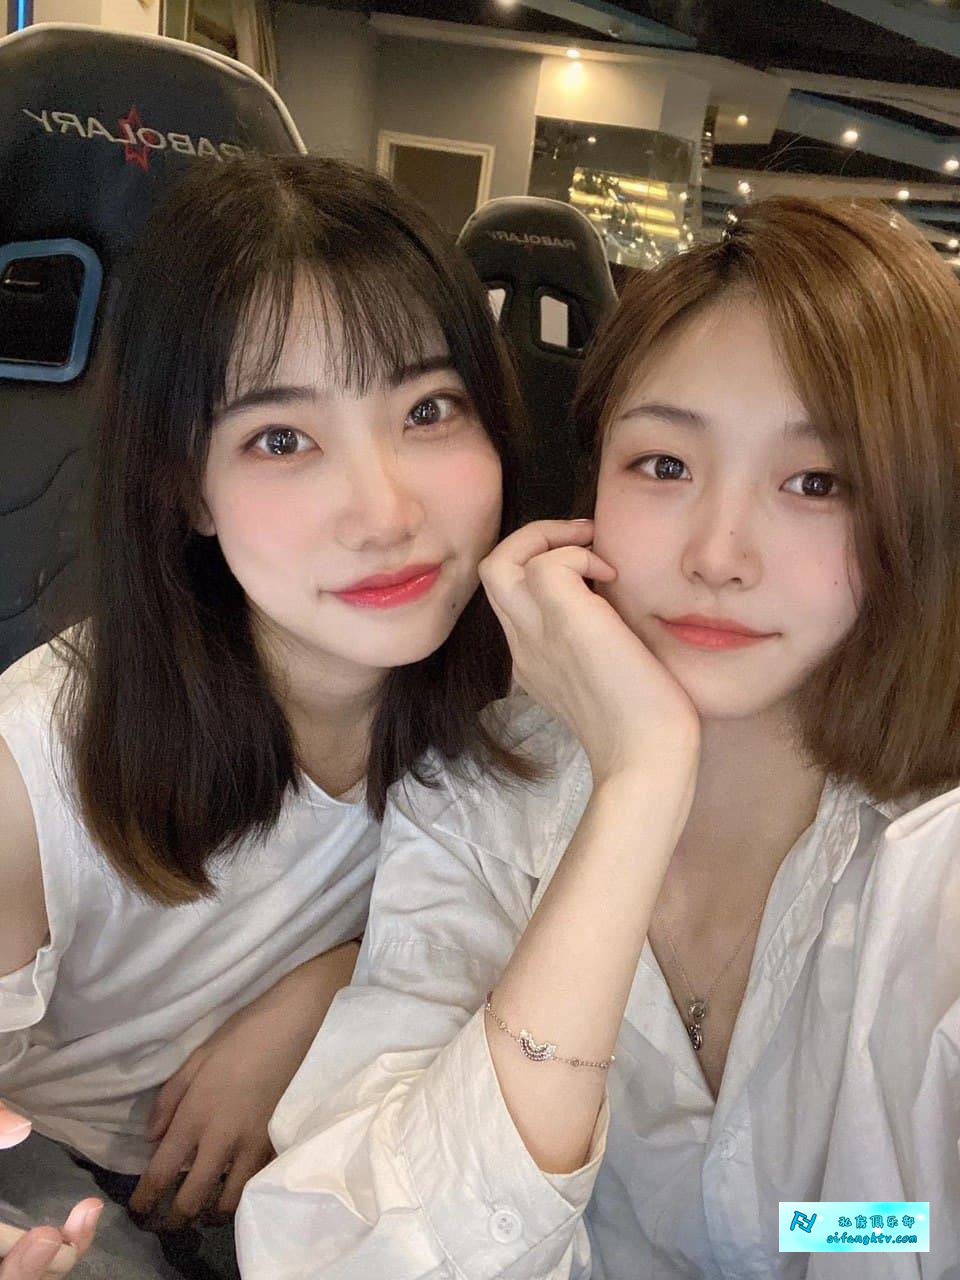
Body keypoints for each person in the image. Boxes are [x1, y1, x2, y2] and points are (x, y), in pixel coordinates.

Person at [237, 197, 960, 1279]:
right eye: (663, 466)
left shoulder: (932, 864)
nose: (718, 554)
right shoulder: (486, 795)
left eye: (818, 482)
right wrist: (639, 784)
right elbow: (335, 1253)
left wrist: (812, 1235)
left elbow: (922, 1230)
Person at [0, 153, 531, 1278]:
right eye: (281, 439)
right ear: (187, 486)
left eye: (428, 409)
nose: (384, 512)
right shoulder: (36, 763)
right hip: (58, 1173)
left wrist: (335, 981)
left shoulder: (524, 710)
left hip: (336, 1158)